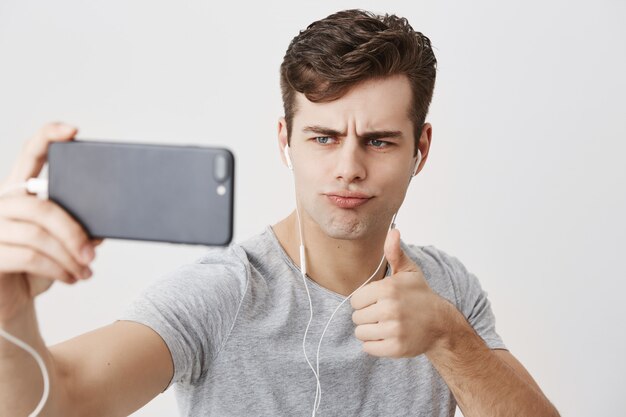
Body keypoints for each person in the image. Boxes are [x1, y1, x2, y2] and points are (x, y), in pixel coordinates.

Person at [0, 9, 560, 417]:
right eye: (323, 137)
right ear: (285, 142)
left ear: (422, 150)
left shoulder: (446, 290)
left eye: (380, 141)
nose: (348, 167)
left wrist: (447, 337)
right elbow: (59, 399)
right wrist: (8, 316)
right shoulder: (225, 292)